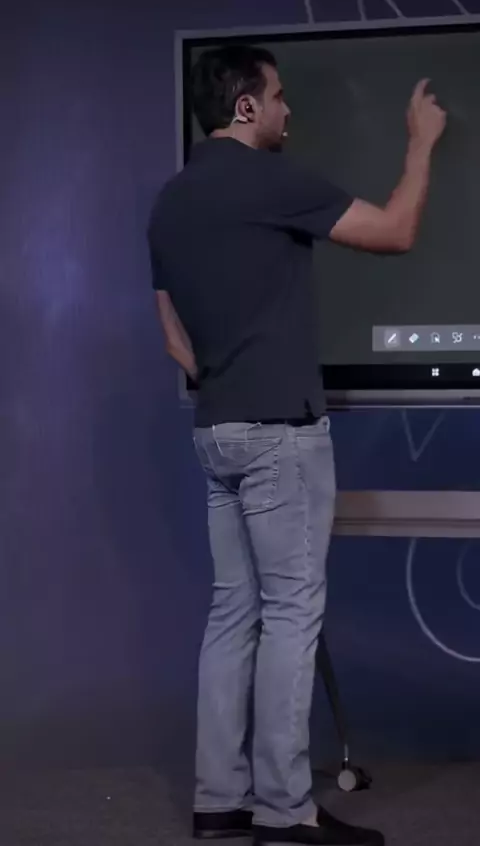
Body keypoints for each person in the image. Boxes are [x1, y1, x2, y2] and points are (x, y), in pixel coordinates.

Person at [148, 45, 446, 846]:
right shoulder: (269, 181)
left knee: (232, 612)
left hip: (215, 430)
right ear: (245, 107)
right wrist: (421, 144)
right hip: (279, 431)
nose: (288, 110)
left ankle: (219, 800)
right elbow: (394, 232)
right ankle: (285, 810)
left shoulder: (169, 202)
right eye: (278, 96)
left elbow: (173, 336)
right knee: (289, 614)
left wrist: (226, 374)